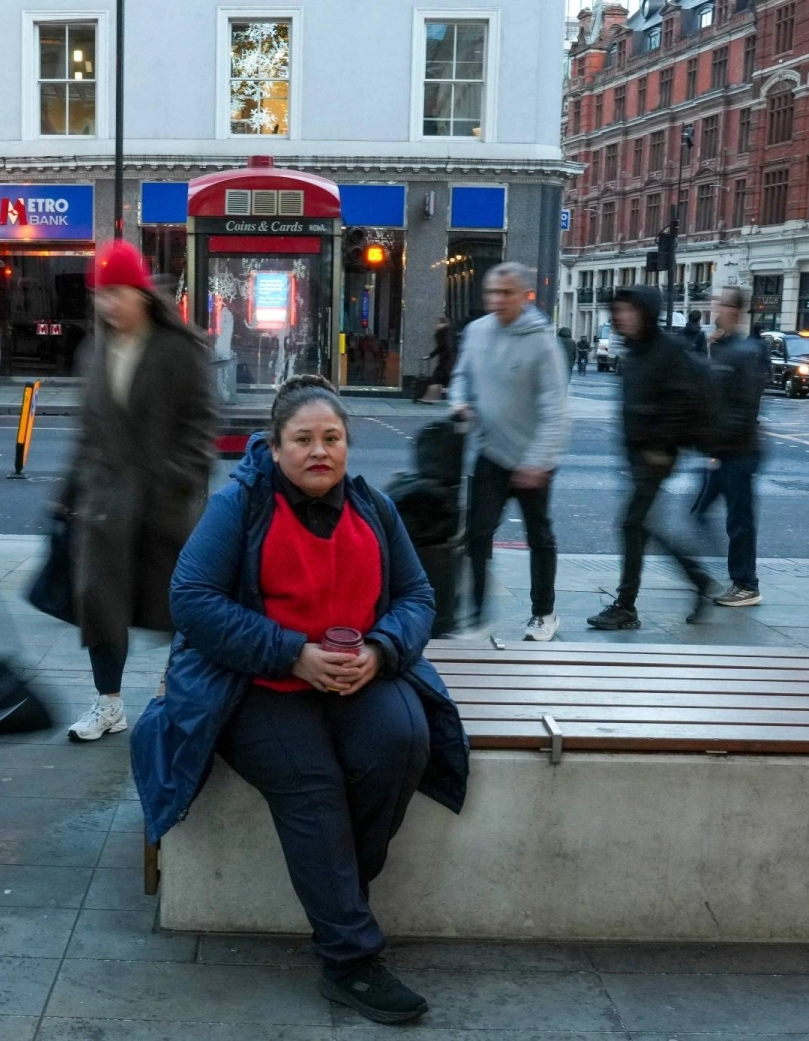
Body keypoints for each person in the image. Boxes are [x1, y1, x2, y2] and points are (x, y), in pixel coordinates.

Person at [130, 376, 469, 1025]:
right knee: (311, 779)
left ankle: (339, 892)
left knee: (402, 742)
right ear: (277, 447)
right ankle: (349, 956)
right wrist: (292, 653)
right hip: (255, 680)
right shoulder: (242, 504)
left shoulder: (372, 506)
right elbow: (193, 600)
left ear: (348, 444)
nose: (320, 450)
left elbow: (418, 595)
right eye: (304, 439)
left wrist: (379, 650)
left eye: (332, 438)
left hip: (358, 671)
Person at [59, 240, 217, 743]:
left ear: (143, 293)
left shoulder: (178, 349)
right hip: (106, 506)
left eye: (118, 293)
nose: (108, 305)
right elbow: (87, 431)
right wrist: (68, 492)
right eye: (100, 296)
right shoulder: (94, 349)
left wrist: (179, 476)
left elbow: (202, 423)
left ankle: (181, 697)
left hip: (164, 505)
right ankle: (108, 705)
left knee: (176, 612)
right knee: (102, 608)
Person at [449, 262, 569, 641]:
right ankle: (478, 613)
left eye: (506, 293)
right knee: (478, 533)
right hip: (491, 452)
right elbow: (460, 378)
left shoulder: (542, 342)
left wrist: (536, 462)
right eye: (492, 293)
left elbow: (556, 408)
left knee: (539, 536)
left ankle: (544, 613)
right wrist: (459, 404)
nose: (497, 300)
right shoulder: (476, 332)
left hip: (534, 458)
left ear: (524, 296)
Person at [588, 285, 715, 630]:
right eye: (618, 311)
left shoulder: (665, 349)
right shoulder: (636, 349)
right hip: (639, 453)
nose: (621, 317)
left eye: (629, 310)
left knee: (632, 524)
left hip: (656, 455)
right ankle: (697, 578)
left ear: (645, 312)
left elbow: (681, 399)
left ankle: (626, 606)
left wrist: (660, 446)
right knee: (641, 527)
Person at [691, 286, 769, 607]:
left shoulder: (745, 352)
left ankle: (746, 584)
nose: (715, 307)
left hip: (738, 450)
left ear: (735, 310)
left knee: (739, 519)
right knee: (700, 511)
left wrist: (717, 442)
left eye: (721, 303)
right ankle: (715, 573)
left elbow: (744, 407)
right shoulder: (725, 346)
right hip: (722, 450)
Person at [419, 315, 455, 403]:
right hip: (447, 361)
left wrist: (430, 355)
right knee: (438, 379)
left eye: (439, 323)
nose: (437, 325)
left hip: (445, 361)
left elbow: (442, 347)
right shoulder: (446, 333)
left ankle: (430, 398)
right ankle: (431, 398)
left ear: (444, 324)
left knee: (435, 378)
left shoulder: (443, 333)